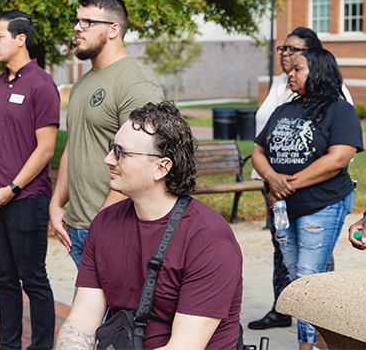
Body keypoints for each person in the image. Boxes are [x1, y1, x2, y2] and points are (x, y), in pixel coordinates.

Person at [54, 101, 243, 350]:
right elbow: (81, 323)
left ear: (161, 167)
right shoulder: (104, 223)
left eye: (121, 152)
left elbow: (183, 347)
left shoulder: (209, 240)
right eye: (113, 148)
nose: (108, 159)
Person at [252, 48, 363, 350]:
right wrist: (272, 179)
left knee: (306, 281)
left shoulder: (340, 110)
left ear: (318, 72)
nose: (290, 72)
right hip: (283, 207)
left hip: (322, 204)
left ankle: (306, 347)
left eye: (298, 69)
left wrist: (287, 184)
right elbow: (258, 150)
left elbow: (339, 157)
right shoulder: (284, 109)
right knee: (299, 280)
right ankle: (329, 343)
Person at [50, 0, 164, 269]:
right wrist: (56, 203)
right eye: (77, 20)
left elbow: (142, 160)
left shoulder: (136, 83)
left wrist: (102, 223)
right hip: (78, 226)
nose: (77, 27)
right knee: (96, 312)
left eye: (87, 21)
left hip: (115, 227)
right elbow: (73, 146)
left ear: (114, 30)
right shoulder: (80, 84)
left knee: (111, 312)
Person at [0, 10, 60, 349]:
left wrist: (11, 189)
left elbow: (46, 149)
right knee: (4, 280)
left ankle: (41, 346)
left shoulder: (42, 84)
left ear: (20, 39)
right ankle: (8, 346)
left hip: (26, 199)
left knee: (33, 279)